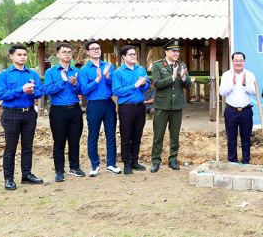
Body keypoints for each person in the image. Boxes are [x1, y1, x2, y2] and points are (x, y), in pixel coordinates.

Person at [0, 44, 44, 190]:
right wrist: (20, 89)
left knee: (27, 146)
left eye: (24, 54)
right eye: (19, 54)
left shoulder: (33, 74)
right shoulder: (4, 75)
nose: (23, 57)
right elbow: (1, 94)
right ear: (11, 56)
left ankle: (26, 175)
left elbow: (40, 93)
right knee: (10, 148)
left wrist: (31, 93)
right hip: (11, 114)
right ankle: (9, 179)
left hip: (29, 113)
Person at [77, 40, 120, 176]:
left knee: (111, 134)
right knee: (93, 135)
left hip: (108, 103)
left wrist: (107, 76)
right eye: (93, 49)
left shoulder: (109, 66)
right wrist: (97, 79)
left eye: (98, 48)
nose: (96, 50)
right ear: (88, 52)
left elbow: (115, 86)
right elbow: (84, 90)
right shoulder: (84, 70)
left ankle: (111, 164)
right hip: (93, 105)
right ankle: (95, 165)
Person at [43, 43, 85, 182]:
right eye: (64, 52)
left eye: (69, 52)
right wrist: (62, 81)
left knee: (74, 141)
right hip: (58, 111)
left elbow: (80, 91)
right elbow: (47, 90)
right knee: (59, 142)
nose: (67, 54)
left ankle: (74, 167)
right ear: (58, 55)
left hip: (74, 109)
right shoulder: (51, 72)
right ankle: (59, 171)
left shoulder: (75, 71)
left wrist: (74, 84)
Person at [150, 39, 192, 172]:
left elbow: (188, 85)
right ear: (166, 52)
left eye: (178, 51)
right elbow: (157, 83)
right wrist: (172, 78)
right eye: (174, 51)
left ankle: (172, 160)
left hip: (177, 106)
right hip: (162, 105)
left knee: (175, 135)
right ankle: (156, 160)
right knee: (158, 135)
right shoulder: (158, 65)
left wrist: (184, 78)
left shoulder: (182, 65)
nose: (176, 53)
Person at [113, 45, 150, 175]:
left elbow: (147, 86)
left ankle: (135, 161)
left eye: (135, 54)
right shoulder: (118, 72)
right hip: (126, 107)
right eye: (131, 54)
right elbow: (116, 91)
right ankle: (127, 163)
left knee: (137, 136)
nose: (134, 56)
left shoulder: (141, 70)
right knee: (126, 137)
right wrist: (135, 85)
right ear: (123, 57)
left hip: (140, 106)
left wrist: (144, 84)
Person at [219, 52, 257, 164]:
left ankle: (246, 160)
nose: (238, 63)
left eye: (241, 60)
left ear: (244, 62)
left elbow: (255, 92)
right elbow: (221, 92)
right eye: (236, 60)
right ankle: (232, 160)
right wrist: (232, 84)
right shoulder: (226, 75)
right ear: (232, 62)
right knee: (231, 138)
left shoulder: (250, 75)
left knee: (246, 138)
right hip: (231, 111)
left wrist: (245, 85)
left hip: (246, 110)